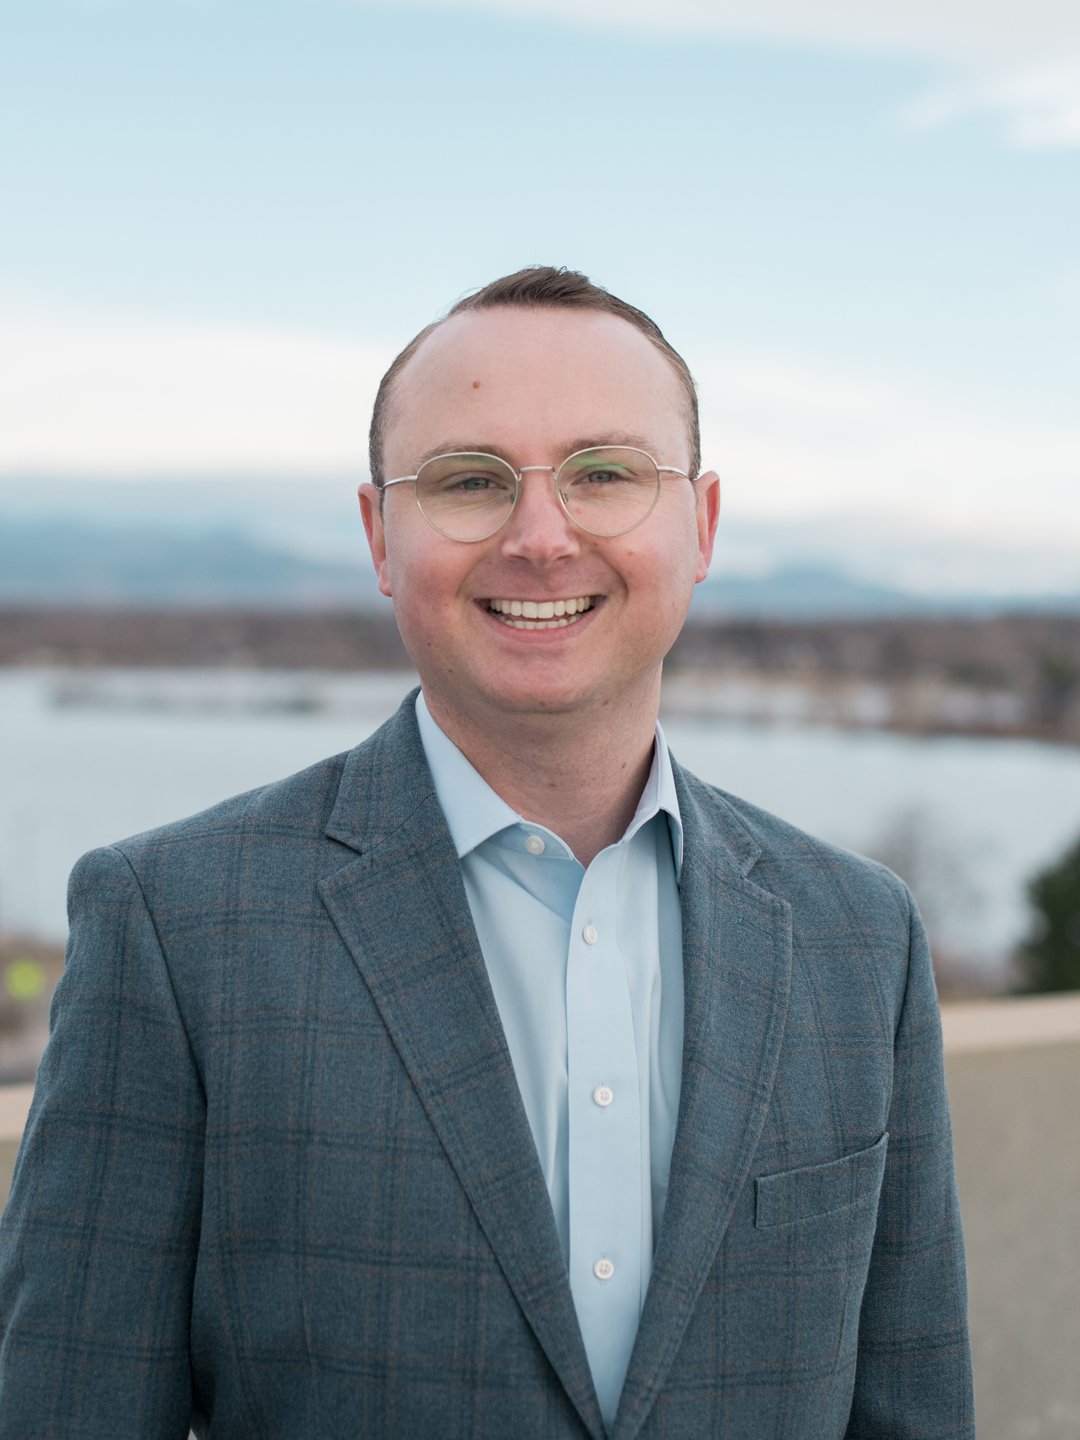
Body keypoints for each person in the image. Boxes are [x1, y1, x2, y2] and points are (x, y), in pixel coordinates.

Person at [0, 267, 974, 1438]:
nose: (542, 539)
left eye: (604, 474)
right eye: (469, 480)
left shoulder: (859, 938)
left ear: (702, 526)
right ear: (380, 536)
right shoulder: (174, 927)